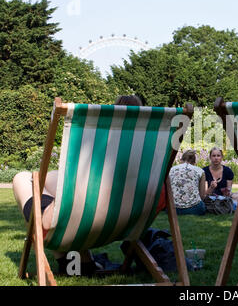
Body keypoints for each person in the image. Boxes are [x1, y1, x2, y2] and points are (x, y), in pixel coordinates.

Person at [12, 95, 143, 275]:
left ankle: (70, 261)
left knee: (23, 178)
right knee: (52, 178)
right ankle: (82, 262)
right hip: (121, 226)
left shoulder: (102, 144)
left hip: (73, 224)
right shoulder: (150, 157)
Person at [169, 150, 207, 215]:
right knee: (202, 205)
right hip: (194, 209)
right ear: (194, 162)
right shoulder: (200, 171)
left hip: (173, 209)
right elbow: (202, 195)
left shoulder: (172, 169)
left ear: (181, 160)